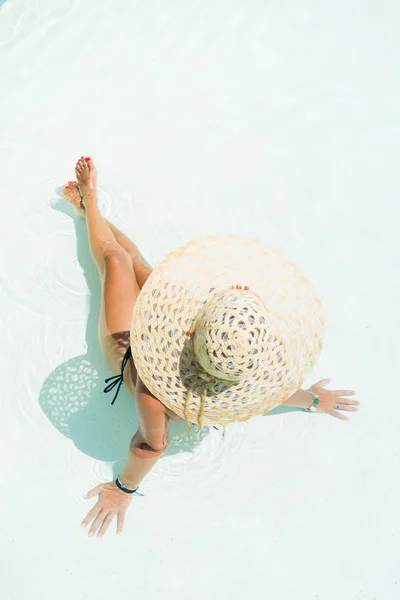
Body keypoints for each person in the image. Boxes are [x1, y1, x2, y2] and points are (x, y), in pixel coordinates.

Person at [62, 157, 360, 538]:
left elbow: (152, 445)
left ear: (190, 328)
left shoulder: (153, 397)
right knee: (137, 262)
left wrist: (123, 490)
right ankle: (91, 210)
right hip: (181, 350)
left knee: (116, 260)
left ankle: (90, 202)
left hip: (130, 352)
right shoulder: (244, 371)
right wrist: (315, 401)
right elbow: (280, 391)